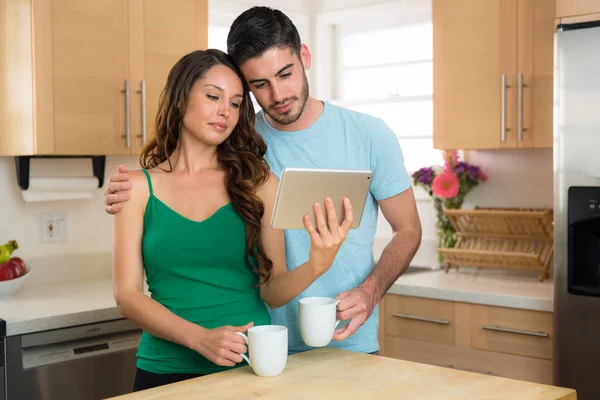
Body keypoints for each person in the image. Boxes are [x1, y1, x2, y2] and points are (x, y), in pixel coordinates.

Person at [105, 6, 422, 357]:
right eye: (259, 85)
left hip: (345, 340)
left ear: (304, 56)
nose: (278, 94)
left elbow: (407, 229)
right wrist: (130, 191)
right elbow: (178, 180)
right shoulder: (237, 144)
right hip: (262, 346)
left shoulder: (368, 134)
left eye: (285, 74)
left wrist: (370, 291)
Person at [112, 48, 354, 392]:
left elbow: (272, 291)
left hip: (250, 370)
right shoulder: (135, 188)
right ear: (181, 99)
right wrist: (200, 339)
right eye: (213, 97)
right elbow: (127, 295)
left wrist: (318, 264)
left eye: (237, 103)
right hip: (163, 373)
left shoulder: (259, 184)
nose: (225, 111)